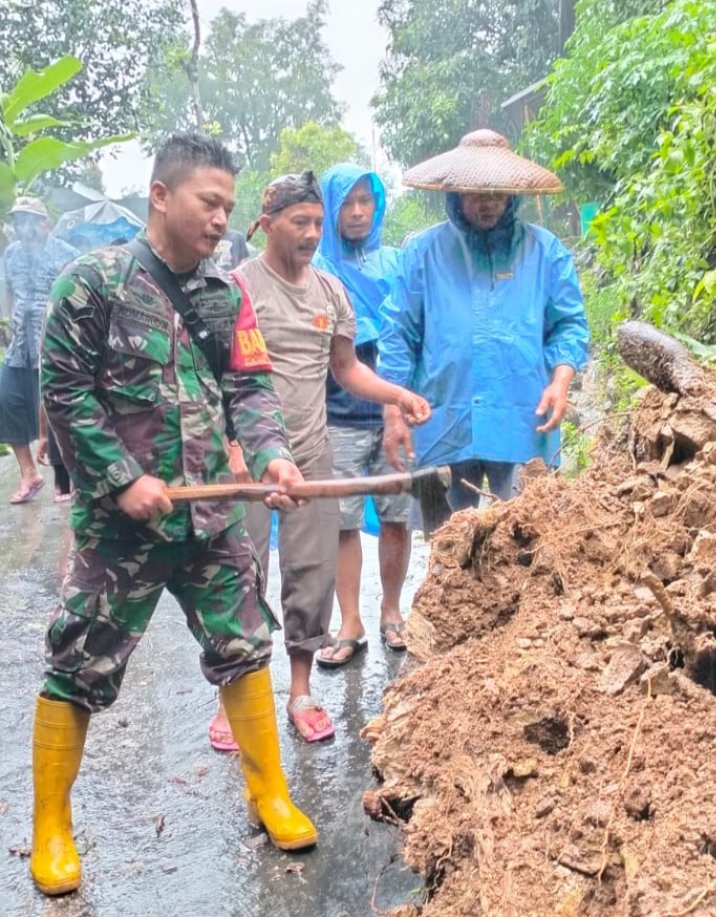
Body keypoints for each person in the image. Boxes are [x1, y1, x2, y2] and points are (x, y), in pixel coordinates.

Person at [30, 132, 317, 898]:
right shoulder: (92, 283)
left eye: (229, 205)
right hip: (119, 529)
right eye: (209, 202)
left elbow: (249, 388)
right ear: (161, 195)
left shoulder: (226, 294)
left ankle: (269, 793)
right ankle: (51, 826)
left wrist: (272, 456)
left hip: (209, 518)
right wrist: (121, 479)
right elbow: (63, 392)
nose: (222, 218)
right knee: (79, 662)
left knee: (244, 644)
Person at [209, 171, 430, 747]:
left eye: (315, 223)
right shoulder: (237, 289)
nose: (311, 233)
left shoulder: (330, 292)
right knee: (241, 574)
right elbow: (212, 376)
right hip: (246, 460)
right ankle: (234, 698)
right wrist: (231, 448)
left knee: (311, 575)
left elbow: (346, 369)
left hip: (310, 452)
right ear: (268, 223)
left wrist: (396, 395)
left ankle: (301, 692)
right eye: (299, 222)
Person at [378, 130, 589, 532]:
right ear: (456, 192)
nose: (487, 202)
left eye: (497, 193)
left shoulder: (545, 252)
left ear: (512, 194)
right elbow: (398, 334)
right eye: (477, 193)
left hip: (523, 416)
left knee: (530, 538)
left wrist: (561, 381)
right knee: (448, 544)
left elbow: (569, 325)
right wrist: (393, 413)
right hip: (442, 417)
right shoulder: (423, 253)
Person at [312, 164, 411, 666]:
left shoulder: (395, 264)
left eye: (365, 202)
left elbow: (408, 329)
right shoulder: (317, 269)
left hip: (397, 414)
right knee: (343, 522)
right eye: (346, 203)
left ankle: (392, 610)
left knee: (398, 515)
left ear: (377, 206)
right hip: (339, 415)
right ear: (330, 209)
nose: (356, 212)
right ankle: (349, 620)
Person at [0, 197, 78, 504]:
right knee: (5, 400)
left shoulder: (67, 254)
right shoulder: (11, 253)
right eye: (18, 221)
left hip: (55, 339)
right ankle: (29, 473)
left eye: (30, 221)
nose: (23, 228)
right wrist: (8, 323)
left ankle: (66, 479)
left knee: (57, 406)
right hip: (20, 343)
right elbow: (8, 291)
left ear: (45, 224)